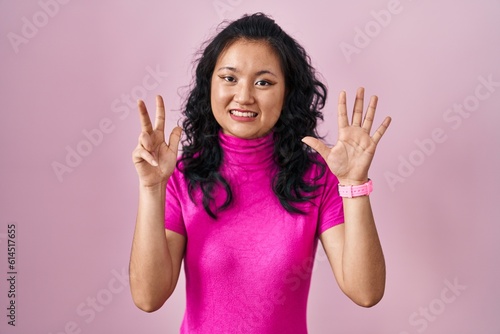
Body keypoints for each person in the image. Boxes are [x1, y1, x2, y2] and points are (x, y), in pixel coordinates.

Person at [129, 12, 391, 333]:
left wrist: (353, 184)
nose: (244, 96)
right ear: (208, 83)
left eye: (263, 82)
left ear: (287, 92)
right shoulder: (182, 176)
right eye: (229, 78)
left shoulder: (316, 177)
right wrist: (151, 187)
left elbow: (366, 292)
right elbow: (147, 297)